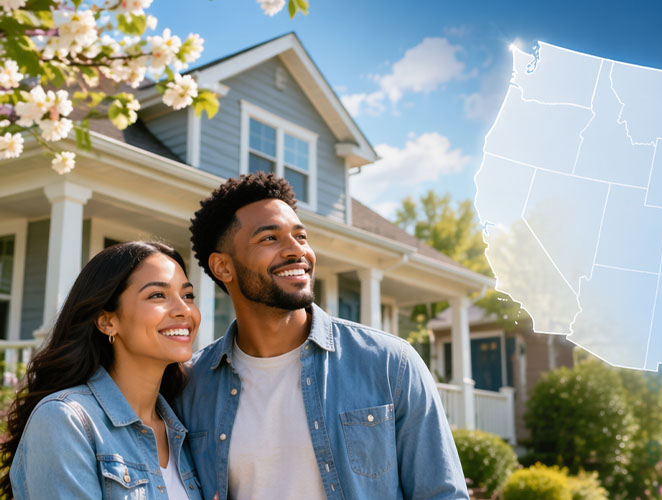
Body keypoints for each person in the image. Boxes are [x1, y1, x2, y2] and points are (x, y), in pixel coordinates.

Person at [176, 173, 468, 500]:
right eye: (269, 238)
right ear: (223, 267)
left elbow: (443, 494)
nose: (296, 251)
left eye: (300, 236)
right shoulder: (191, 385)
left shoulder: (389, 364)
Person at [0, 241, 204, 499]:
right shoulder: (66, 420)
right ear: (107, 321)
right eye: (157, 295)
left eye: (187, 296)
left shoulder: (183, 428)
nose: (184, 310)